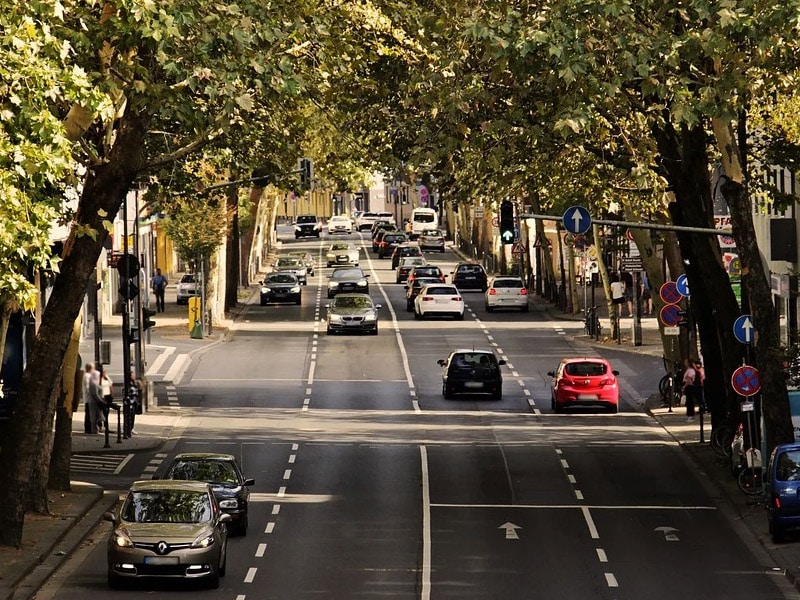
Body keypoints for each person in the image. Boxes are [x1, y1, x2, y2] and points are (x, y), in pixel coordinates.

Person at [82, 363, 95, 434]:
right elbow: (88, 387)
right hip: (89, 398)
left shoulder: (89, 376)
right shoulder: (87, 376)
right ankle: (88, 428)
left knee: (90, 413)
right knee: (89, 413)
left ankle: (90, 428)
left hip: (89, 398)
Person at [99, 366, 114, 433]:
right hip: (101, 396)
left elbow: (111, 385)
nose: (105, 373)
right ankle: (100, 426)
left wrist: (111, 394)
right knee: (100, 412)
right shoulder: (98, 379)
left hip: (107, 396)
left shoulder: (107, 378)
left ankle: (106, 426)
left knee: (106, 412)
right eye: (103, 372)